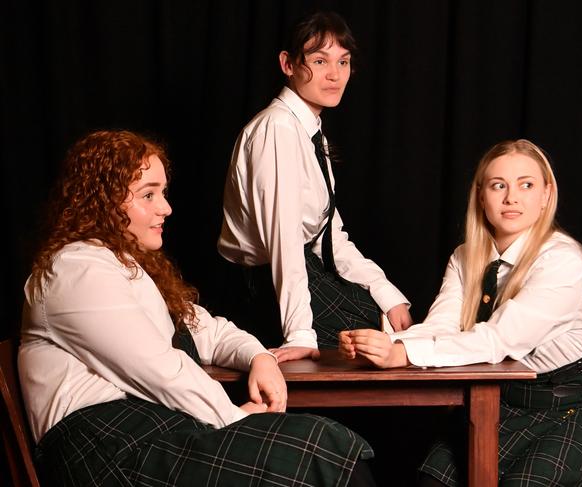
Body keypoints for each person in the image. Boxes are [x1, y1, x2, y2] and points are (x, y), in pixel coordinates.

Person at [19, 130, 376, 486]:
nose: (166, 208)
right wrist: (234, 419)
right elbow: (160, 369)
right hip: (108, 448)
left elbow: (207, 329)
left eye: (163, 193)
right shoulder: (76, 270)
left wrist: (258, 357)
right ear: (102, 201)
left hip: (156, 427)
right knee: (319, 448)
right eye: (148, 195)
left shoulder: (127, 266)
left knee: (324, 443)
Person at [340, 139, 582, 486]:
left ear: (546, 195)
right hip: (503, 406)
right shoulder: (466, 256)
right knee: (433, 481)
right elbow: (443, 325)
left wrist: (401, 354)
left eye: (526, 185)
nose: (511, 197)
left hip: (577, 409)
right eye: (498, 185)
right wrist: (385, 344)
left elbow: (498, 340)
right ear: (480, 195)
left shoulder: (562, 260)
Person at [218, 11, 412, 363]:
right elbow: (284, 238)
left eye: (343, 61)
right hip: (262, 285)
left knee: (397, 331)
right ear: (288, 64)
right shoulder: (277, 129)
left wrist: (386, 292)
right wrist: (300, 333)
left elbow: (330, 235)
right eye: (319, 60)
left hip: (302, 268)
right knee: (377, 345)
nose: (335, 74)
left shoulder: (308, 130)